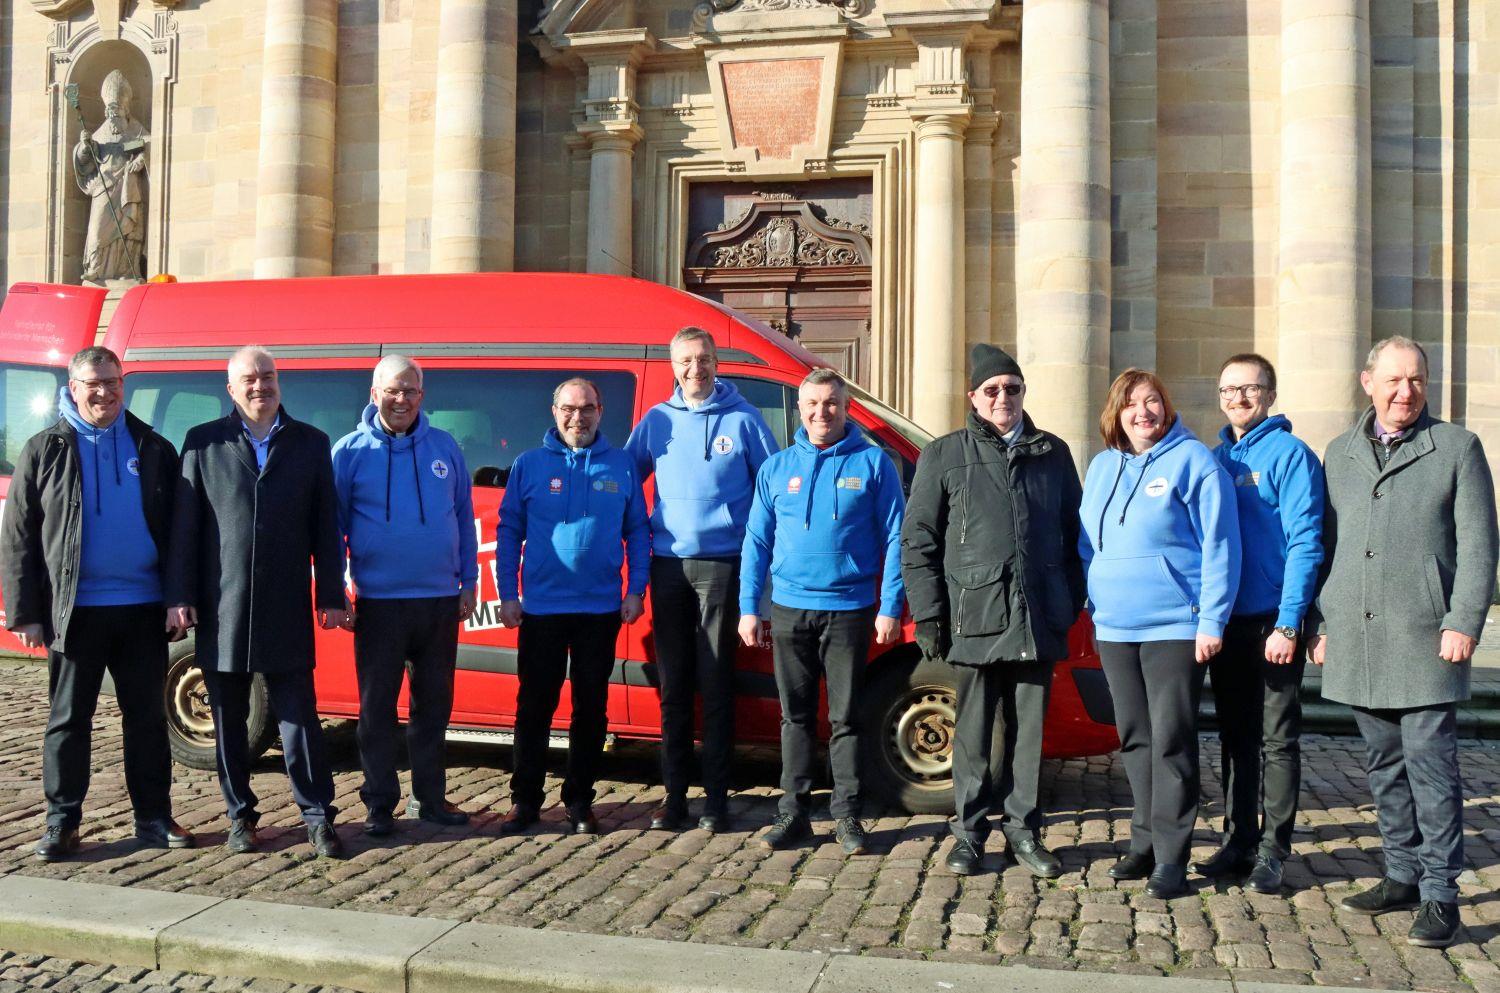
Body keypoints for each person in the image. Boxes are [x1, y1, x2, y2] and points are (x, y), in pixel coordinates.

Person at [1310, 336, 1498, 948]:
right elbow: (1326, 545)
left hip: (1427, 636)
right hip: (1359, 634)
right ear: (1368, 382)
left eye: (1416, 380)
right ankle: (1401, 874)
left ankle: (1442, 894)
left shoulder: (1458, 449)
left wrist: (1463, 620)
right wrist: (1319, 622)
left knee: (1432, 768)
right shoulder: (1338, 453)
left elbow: (1479, 546)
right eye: (1394, 380)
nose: (1406, 391)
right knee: (1384, 765)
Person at [0, 346, 193, 861]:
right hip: (75, 612)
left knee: (147, 719)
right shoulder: (45, 449)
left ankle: (153, 816)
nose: (104, 392)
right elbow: (18, 535)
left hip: (142, 607)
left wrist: (178, 597)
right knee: (68, 720)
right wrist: (26, 612)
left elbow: (178, 532)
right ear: (73, 384)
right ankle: (62, 822)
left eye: (113, 382)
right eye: (94, 383)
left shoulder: (152, 446)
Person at [901, 344, 1084, 878]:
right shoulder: (944, 453)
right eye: (992, 389)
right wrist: (930, 614)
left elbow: (1075, 535)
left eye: (1012, 388)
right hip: (974, 615)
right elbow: (919, 540)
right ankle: (970, 834)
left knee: (1028, 735)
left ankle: (1024, 831)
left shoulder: (1054, 452)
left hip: (1037, 613)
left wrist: (1069, 600)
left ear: (1023, 392)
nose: (1003, 397)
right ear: (973, 397)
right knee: (975, 735)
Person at [166, 346, 348, 858]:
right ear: (231, 388)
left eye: (267, 377)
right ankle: (239, 816)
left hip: (286, 602)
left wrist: (331, 594)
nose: (259, 386)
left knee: (299, 719)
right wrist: (178, 596)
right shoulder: (202, 443)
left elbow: (325, 530)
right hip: (221, 606)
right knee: (229, 720)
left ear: (279, 382)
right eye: (248, 379)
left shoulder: (311, 443)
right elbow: (185, 530)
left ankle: (317, 816)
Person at [1079, 368, 1240, 899]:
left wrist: (1211, 621)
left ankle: (1172, 856)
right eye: (1131, 404)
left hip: (1175, 624)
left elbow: (1220, 545)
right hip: (1114, 626)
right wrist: (1092, 593)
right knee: (1134, 737)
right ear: (1116, 413)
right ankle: (1143, 842)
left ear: (1166, 408)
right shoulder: (1102, 466)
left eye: (1152, 401)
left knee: (1171, 739)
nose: (1142, 411)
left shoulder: (1194, 461)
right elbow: (1087, 543)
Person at [739, 368, 906, 855]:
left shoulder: (875, 464)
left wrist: (889, 604)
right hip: (790, 608)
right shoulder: (776, 467)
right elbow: (756, 541)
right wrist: (750, 606)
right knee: (795, 717)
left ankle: (848, 815)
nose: (821, 413)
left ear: (846, 407)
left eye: (830, 403)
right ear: (799, 409)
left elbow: (896, 536)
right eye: (812, 404)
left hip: (850, 609)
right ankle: (793, 811)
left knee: (847, 717)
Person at [625, 327, 779, 833]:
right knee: (674, 688)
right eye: (687, 360)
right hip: (669, 565)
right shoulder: (656, 422)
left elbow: (772, 489)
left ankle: (715, 799)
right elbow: (626, 481)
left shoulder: (744, 418)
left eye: (705, 359)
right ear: (674, 366)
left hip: (723, 566)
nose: (697, 368)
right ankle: (674, 798)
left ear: (717, 363)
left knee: (715, 685)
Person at [495, 377, 650, 836]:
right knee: (534, 707)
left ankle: (580, 800)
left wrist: (636, 589)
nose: (576, 417)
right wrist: (508, 593)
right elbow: (508, 531)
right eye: (568, 408)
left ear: (600, 412)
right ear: (554, 410)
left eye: (586, 409)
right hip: (541, 609)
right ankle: (525, 801)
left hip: (599, 608)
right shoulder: (529, 465)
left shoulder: (620, 466)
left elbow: (638, 531)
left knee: (591, 708)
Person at [332, 355, 479, 837]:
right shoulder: (349, 452)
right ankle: (379, 803)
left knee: (433, 707)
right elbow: (331, 530)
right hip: (379, 602)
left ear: (423, 396)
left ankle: (430, 798)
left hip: (438, 599)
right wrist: (338, 589)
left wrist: (469, 581)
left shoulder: (444, 447)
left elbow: (462, 516)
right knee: (377, 710)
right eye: (392, 391)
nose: (401, 400)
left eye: (410, 391)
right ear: (374, 395)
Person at [1195, 354, 1324, 894]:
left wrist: (1291, 622)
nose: (1238, 399)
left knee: (1276, 739)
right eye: (1229, 390)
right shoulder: (1214, 459)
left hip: (1273, 623)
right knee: (1234, 736)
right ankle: (1238, 838)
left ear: (1269, 395)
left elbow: (1305, 542)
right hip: (1227, 621)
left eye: (1250, 389)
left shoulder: (1292, 455)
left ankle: (1273, 848)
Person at [73, 70, 148, 283]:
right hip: (103, 188)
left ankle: (126, 269)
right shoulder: (101, 133)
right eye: (109, 109)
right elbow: (86, 158)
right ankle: (95, 270)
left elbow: (147, 144)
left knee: (127, 229)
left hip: (126, 186)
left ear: (125, 109)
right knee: (97, 232)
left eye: (115, 109)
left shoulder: (134, 129)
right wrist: (85, 145)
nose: (111, 114)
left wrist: (139, 158)